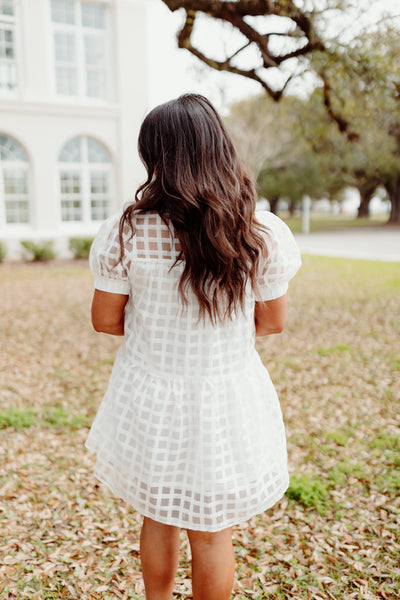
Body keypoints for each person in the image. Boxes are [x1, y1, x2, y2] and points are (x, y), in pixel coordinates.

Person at [86, 93, 301, 600]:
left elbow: (104, 320)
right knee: (211, 529)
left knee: (158, 515)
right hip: (227, 394)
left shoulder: (128, 229)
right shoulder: (260, 231)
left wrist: (156, 331)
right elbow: (271, 323)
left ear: (157, 158)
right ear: (217, 147)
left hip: (150, 390)